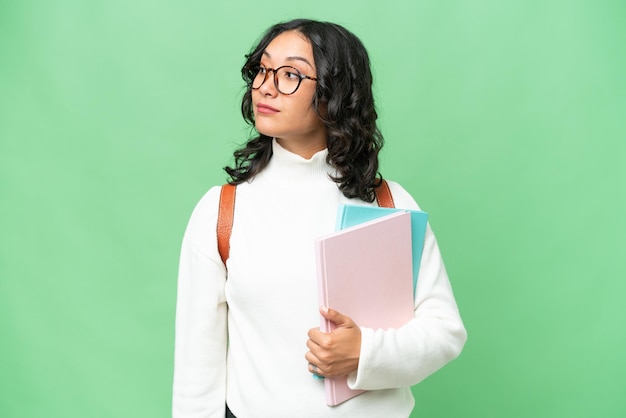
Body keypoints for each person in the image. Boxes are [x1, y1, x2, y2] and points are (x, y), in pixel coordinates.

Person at [172, 18, 467, 418]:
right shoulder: (222, 211)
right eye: (262, 68)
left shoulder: (389, 202)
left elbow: (444, 332)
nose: (266, 85)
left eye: (290, 74)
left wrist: (364, 352)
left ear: (334, 93)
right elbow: (196, 374)